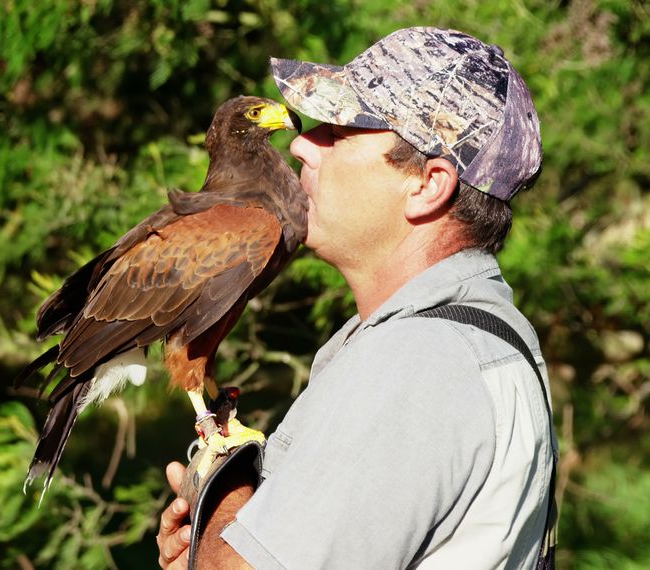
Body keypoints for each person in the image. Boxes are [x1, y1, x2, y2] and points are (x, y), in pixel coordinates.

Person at [156, 27, 555, 569]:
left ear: (427, 185)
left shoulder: (420, 362)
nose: (299, 143)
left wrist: (220, 499)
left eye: (339, 132)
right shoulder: (487, 335)